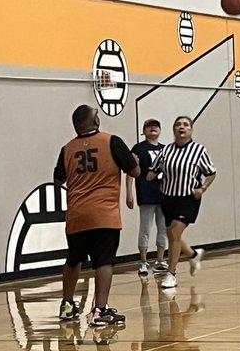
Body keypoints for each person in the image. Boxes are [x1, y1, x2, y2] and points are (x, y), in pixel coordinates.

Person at [54, 104, 140, 327]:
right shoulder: (111, 141)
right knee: (104, 261)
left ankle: (67, 305)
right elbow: (135, 171)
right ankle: (100, 311)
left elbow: (58, 180)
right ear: (96, 121)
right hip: (104, 214)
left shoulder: (67, 149)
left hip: (77, 214)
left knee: (74, 259)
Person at [148, 115, 217, 289]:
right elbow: (151, 173)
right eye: (178, 124)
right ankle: (193, 255)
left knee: (174, 231)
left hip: (188, 197)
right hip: (168, 197)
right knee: (172, 234)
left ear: (191, 130)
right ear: (173, 129)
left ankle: (171, 274)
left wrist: (202, 188)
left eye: (186, 125)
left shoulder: (198, 150)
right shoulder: (166, 151)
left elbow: (211, 172)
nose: (182, 127)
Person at [126, 119, 168, 280]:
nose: (153, 128)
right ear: (144, 131)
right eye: (149, 126)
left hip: (164, 194)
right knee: (145, 228)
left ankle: (160, 260)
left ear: (160, 130)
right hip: (146, 194)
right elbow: (130, 171)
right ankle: (143, 261)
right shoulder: (138, 149)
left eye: (156, 126)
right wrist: (129, 193)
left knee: (163, 228)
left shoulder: (166, 150)